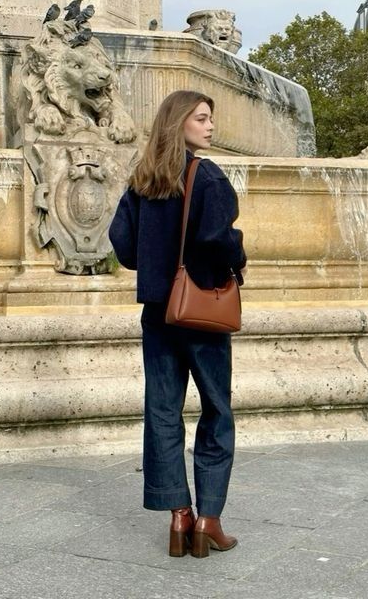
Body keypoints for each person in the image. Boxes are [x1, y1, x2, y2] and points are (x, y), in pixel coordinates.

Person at [109, 90, 247, 559]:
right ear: (179, 124)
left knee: (164, 412)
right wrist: (237, 257)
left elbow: (122, 244)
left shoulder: (143, 181)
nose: (211, 127)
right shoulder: (206, 176)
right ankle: (209, 518)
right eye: (202, 119)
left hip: (158, 314)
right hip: (202, 312)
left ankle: (178, 516)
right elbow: (218, 237)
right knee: (216, 412)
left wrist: (156, 262)